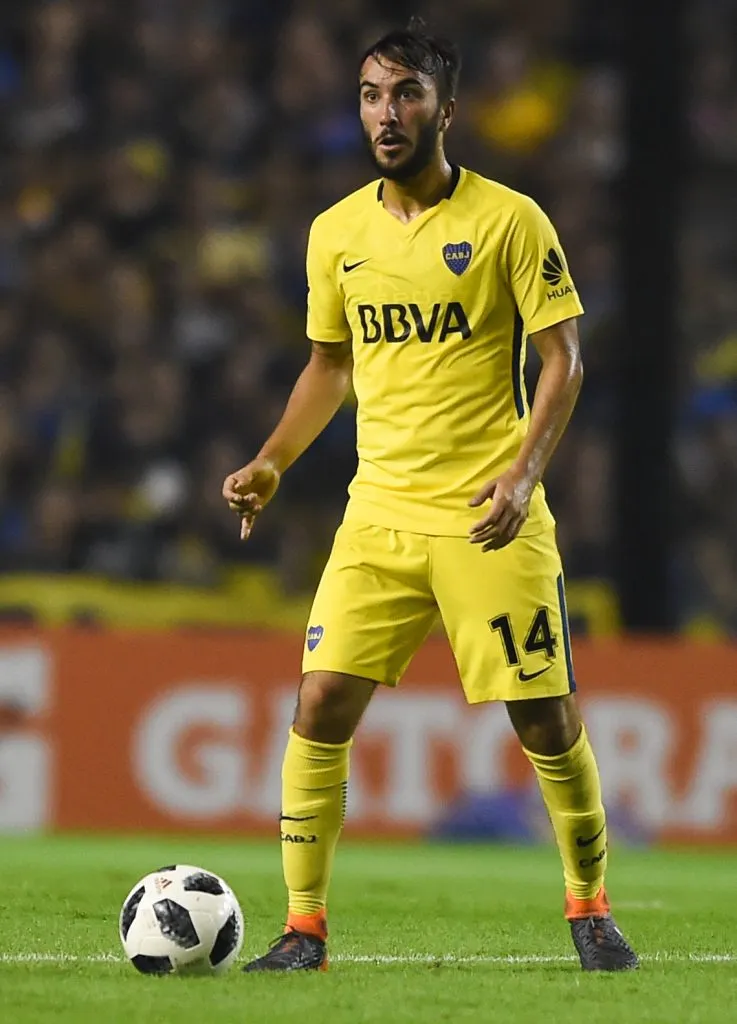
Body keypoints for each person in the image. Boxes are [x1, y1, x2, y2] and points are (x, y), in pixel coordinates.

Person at [223, 19, 638, 974]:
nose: (385, 112)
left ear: (446, 110)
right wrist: (274, 461)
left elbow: (563, 356)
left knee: (544, 719)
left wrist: (523, 474)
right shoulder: (337, 233)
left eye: (405, 94)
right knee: (319, 703)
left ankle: (589, 905)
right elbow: (329, 366)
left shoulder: (509, 219)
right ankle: (304, 929)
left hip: (489, 518)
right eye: (371, 95)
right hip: (377, 514)